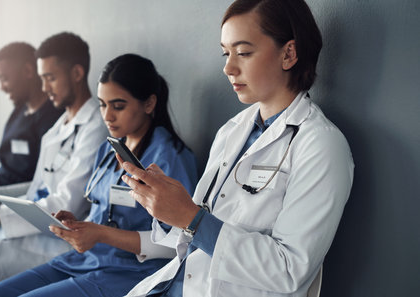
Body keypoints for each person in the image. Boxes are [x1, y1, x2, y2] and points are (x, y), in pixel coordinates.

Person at [120, 1, 354, 296]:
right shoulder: (232, 131)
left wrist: (191, 217)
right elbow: (193, 236)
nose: (228, 67)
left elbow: (290, 270)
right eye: (226, 53)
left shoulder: (320, 145)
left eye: (243, 52)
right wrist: (165, 205)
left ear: (289, 53)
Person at [0, 53, 199, 297]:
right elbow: (105, 212)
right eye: (102, 104)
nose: (107, 116)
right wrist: (79, 224)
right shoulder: (109, 149)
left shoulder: (171, 158)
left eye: (118, 106)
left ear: (149, 104)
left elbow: (178, 242)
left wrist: (101, 234)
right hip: (84, 260)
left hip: (130, 273)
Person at [0, 32, 108, 294]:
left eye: (50, 78)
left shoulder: (96, 127)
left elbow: (69, 204)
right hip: (27, 233)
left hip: (58, 243)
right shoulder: (58, 129)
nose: (44, 88)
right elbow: (36, 191)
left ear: (77, 73)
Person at [0, 42, 63, 213]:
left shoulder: (54, 121)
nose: (1, 87)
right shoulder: (18, 112)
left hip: (9, 210)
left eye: (4, 79)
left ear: (28, 71)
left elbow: (41, 186)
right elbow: (4, 169)